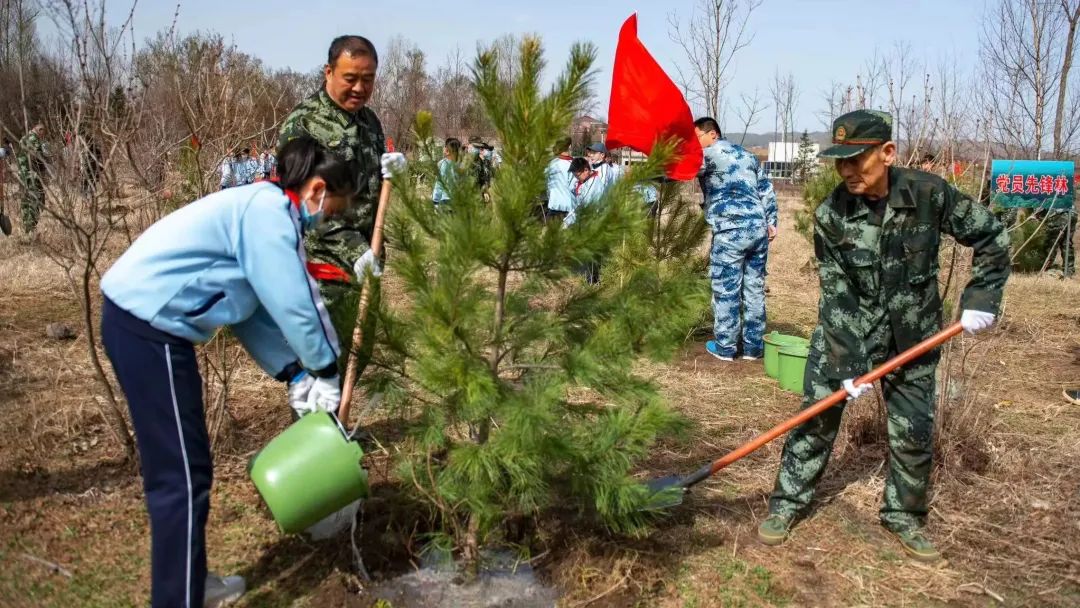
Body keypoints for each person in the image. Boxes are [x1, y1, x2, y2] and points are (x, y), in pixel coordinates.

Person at [99, 136, 356, 607]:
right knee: (180, 476)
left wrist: (293, 374)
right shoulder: (269, 216)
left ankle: (190, 584)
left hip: (146, 324)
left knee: (188, 469)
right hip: (147, 326)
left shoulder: (257, 209)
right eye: (334, 210)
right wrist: (324, 368)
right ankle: (181, 598)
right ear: (318, 190)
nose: (329, 221)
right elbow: (296, 300)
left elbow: (246, 309)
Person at [758, 110, 1010, 562]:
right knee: (816, 417)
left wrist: (981, 299)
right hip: (849, 332)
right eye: (840, 161)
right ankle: (787, 504)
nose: (847, 171)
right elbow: (836, 296)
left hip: (914, 336)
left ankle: (903, 516)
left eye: (857, 159)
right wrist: (848, 366)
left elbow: (991, 237)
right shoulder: (831, 214)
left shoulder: (928, 194)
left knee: (913, 429)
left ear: (887, 152)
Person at [278, 34, 404, 384]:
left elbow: (371, 188)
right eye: (351, 78)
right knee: (321, 358)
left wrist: (392, 172)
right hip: (324, 264)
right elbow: (304, 205)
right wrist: (354, 251)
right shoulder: (303, 124)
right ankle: (315, 431)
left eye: (368, 79)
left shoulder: (370, 122)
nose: (359, 88)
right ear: (328, 71)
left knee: (356, 351)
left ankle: (337, 425)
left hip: (369, 256)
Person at [694, 117, 777, 361]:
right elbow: (766, 190)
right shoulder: (748, 156)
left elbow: (678, 169)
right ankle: (753, 348)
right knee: (754, 289)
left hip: (731, 231)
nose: (696, 143)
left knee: (726, 288)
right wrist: (772, 222)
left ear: (713, 134)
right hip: (758, 230)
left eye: (697, 136)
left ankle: (726, 347)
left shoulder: (709, 154)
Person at [567, 156, 607, 283]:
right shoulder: (584, 182)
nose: (576, 177)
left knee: (592, 253)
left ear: (586, 170)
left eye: (577, 174)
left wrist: (566, 222)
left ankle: (592, 281)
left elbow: (582, 206)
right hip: (585, 221)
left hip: (593, 221)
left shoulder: (594, 184)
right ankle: (591, 279)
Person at [16, 123, 48, 235]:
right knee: (34, 200)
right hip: (32, 175)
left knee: (25, 201)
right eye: (43, 134)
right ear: (39, 130)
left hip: (22, 175)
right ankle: (31, 228)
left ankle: (27, 228)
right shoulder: (34, 139)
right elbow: (38, 159)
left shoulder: (23, 138)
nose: (42, 137)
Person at [544, 137, 574, 223]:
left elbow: (546, 183)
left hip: (553, 207)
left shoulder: (551, 164)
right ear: (570, 147)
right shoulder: (576, 165)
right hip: (569, 210)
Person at [432, 137, 461, 209]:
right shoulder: (459, 164)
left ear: (448, 150)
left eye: (445, 146)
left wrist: (435, 201)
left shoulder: (444, 164)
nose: (444, 148)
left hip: (445, 200)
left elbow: (440, 183)